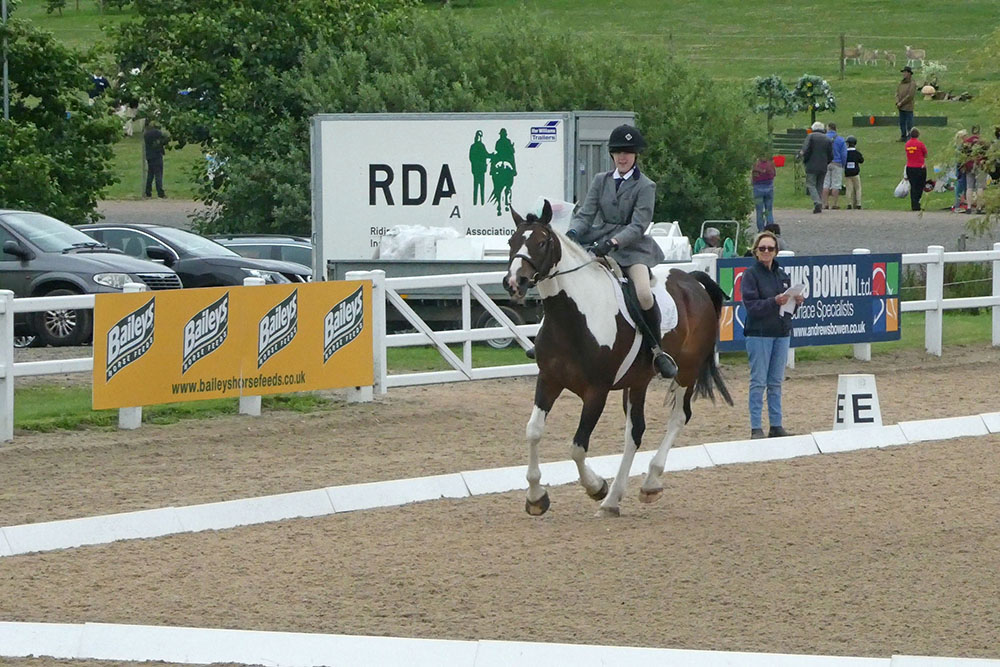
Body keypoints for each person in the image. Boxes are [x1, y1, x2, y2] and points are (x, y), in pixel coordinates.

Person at [565, 124, 676, 379]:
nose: (622, 157)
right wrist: (572, 233)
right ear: (612, 154)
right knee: (568, 281)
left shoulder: (645, 186)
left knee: (644, 293)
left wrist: (614, 242)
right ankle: (549, 340)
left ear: (635, 155)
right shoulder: (600, 180)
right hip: (600, 241)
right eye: (618, 152)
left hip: (632, 249)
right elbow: (586, 214)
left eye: (627, 152)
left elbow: (638, 225)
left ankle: (656, 350)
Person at [742, 230, 804, 440]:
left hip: (781, 332)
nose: (766, 252)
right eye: (762, 248)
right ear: (756, 251)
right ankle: (756, 427)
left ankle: (776, 425)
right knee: (758, 381)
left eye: (770, 248)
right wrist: (773, 301)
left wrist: (796, 302)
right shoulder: (750, 275)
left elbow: (788, 309)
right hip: (759, 334)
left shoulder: (782, 275)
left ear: (776, 251)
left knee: (776, 382)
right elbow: (751, 306)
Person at [798, 121, 832, 214]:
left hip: (811, 165)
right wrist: (826, 162)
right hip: (823, 166)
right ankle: (819, 203)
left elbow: (806, 150)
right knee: (820, 185)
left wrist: (805, 160)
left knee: (811, 184)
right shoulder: (827, 139)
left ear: (813, 128)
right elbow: (830, 155)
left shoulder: (810, 137)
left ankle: (817, 202)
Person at [822, 122, 847, 209]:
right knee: (836, 184)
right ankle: (835, 204)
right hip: (837, 163)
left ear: (828, 128)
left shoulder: (823, 138)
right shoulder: (840, 140)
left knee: (825, 184)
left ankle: (825, 203)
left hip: (825, 163)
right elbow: (844, 154)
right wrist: (843, 164)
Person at [962, 126, 985, 214]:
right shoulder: (982, 142)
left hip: (969, 166)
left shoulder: (966, 142)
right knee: (980, 187)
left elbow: (963, 155)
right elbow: (986, 154)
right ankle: (979, 208)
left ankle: (968, 207)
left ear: (971, 132)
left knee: (969, 187)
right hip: (979, 165)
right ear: (979, 132)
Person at [143, 118, 168, 198]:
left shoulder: (146, 134)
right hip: (157, 154)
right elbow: (166, 137)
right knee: (158, 174)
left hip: (149, 156)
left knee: (150, 174)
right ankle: (160, 193)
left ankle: (148, 192)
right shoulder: (157, 133)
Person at [904, 127, 927, 212]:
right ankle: (918, 202)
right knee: (920, 185)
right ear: (918, 135)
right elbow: (925, 154)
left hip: (910, 167)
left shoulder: (907, 144)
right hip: (920, 167)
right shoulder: (920, 144)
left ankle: (914, 204)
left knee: (913, 186)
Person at [751, 155, 776, 231]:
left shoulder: (756, 165)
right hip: (769, 188)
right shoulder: (770, 164)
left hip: (758, 189)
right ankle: (770, 228)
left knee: (759, 211)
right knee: (769, 210)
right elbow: (774, 174)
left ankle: (761, 230)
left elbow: (753, 177)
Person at [896, 66, 917, 142]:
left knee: (909, 123)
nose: (903, 74)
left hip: (908, 107)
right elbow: (897, 93)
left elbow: (910, 95)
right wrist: (897, 102)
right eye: (903, 72)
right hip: (900, 107)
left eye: (905, 72)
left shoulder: (912, 83)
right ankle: (903, 136)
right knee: (902, 123)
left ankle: (910, 137)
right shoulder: (901, 83)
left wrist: (901, 103)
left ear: (909, 73)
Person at [844, 135, 864, 210]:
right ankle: (858, 204)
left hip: (847, 173)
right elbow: (861, 160)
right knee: (858, 188)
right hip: (855, 173)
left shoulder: (845, 153)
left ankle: (849, 204)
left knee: (849, 189)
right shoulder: (856, 153)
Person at [952, 130, 968, 213]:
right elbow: (960, 159)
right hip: (961, 168)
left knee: (964, 186)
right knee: (961, 186)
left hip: (961, 168)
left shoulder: (959, 146)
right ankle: (958, 204)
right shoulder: (961, 147)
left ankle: (962, 203)